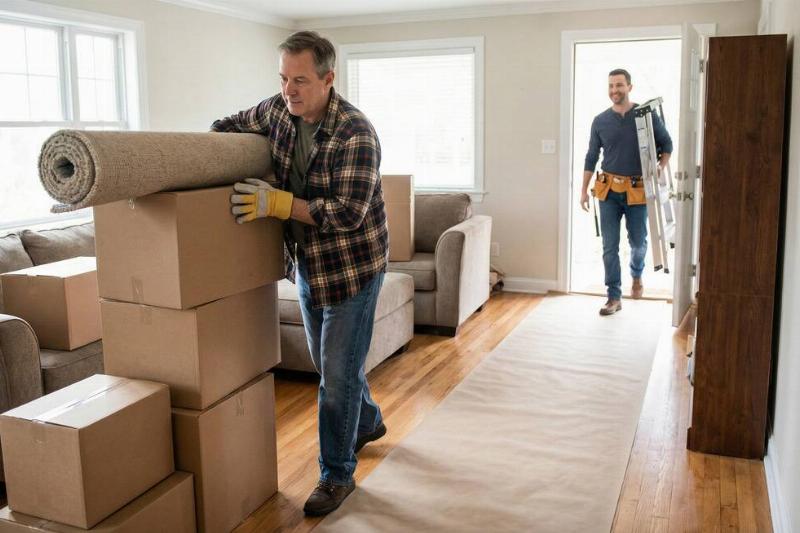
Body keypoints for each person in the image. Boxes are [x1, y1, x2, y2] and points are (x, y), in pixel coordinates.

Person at [210, 30, 388, 516]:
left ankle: (336, 475)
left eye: (301, 80)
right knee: (332, 364)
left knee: (334, 376)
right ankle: (368, 420)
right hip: (308, 265)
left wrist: (279, 203)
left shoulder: (357, 133)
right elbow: (226, 124)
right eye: (284, 78)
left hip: (353, 268)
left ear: (330, 79)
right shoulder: (276, 111)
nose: (289, 89)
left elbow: (347, 212)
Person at [580, 68, 673, 316]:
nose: (614, 90)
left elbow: (667, 144)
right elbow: (591, 157)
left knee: (638, 243)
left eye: (619, 85)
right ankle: (613, 296)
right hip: (608, 191)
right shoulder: (600, 121)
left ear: (629, 87)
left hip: (637, 190)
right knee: (609, 246)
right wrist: (583, 191)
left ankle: (636, 274)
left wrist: (661, 168)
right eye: (611, 86)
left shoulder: (645, 115)